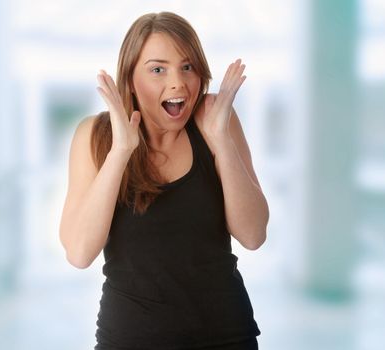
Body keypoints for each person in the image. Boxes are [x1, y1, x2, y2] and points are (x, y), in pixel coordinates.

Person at [59, 11, 269, 350]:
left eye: (187, 67)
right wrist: (121, 151)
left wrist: (221, 142)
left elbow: (254, 234)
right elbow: (80, 253)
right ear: (129, 78)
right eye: (158, 69)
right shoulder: (94, 136)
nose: (178, 82)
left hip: (227, 337)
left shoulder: (218, 124)